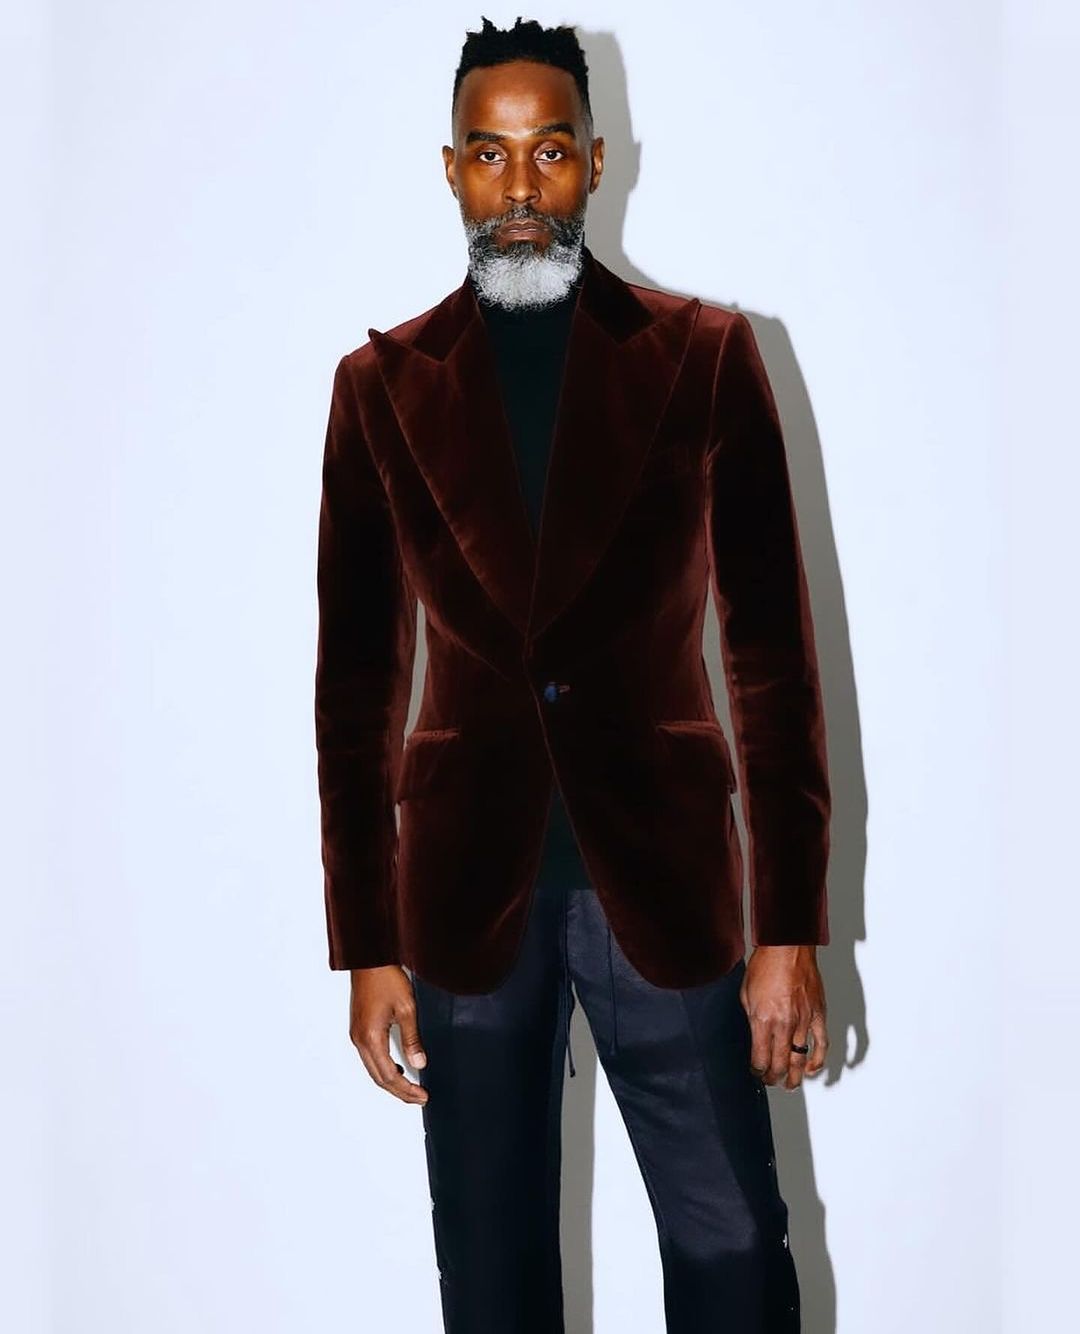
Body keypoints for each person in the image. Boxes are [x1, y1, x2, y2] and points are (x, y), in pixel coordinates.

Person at [314, 16, 830, 1332]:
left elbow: (774, 660)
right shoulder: (379, 389)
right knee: (490, 1277)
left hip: (665, 886)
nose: (521, 185)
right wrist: (367, 944)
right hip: (464, 902)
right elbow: (354, 690)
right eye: (490, 155)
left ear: (597, 162)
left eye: (550, 150)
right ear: (451, 169)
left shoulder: (706, 357)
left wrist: (788, 930)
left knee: (732, 1246)